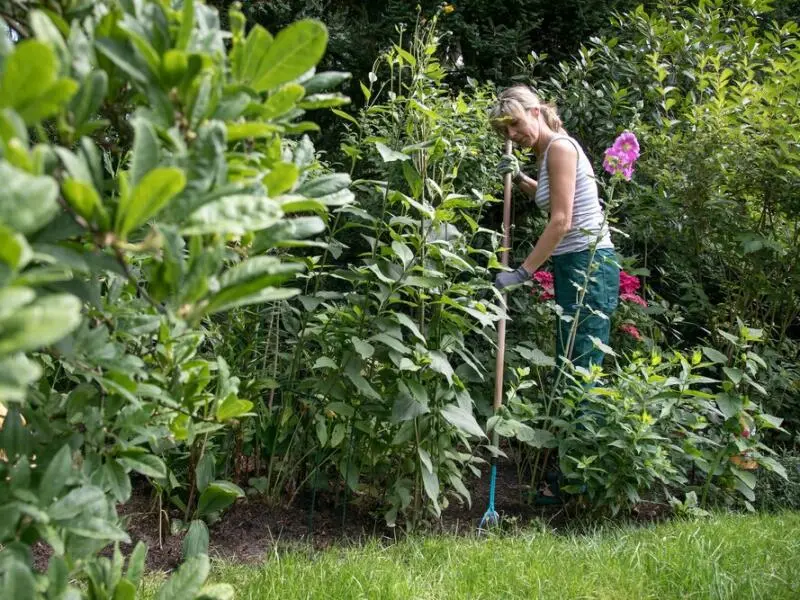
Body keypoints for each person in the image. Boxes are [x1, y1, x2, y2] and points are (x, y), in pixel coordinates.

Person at [490, 84, 620, 373]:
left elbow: (562, 220)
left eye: (514, 124)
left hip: (589, 264)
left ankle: (584, 418)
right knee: (569, 357)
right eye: (504, 131)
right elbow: (553, 198)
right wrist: (520, 177)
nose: (511, 134)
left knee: (580, 362)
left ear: (535, 112)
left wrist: (522, 272)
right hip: (573, 261)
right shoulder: (547, 151)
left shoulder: (560, 148)